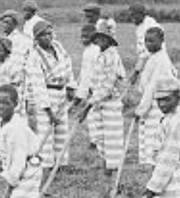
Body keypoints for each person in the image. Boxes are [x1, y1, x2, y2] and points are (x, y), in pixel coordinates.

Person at [77, 19, 127, 178]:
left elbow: (107, 85)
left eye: (103, 38)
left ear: (109, 40)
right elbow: (94, 78)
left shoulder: (111, 56)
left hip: (110, 101)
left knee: (112, 136)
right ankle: (106, 163)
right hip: (97, 101)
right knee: (99, 135)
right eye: (98, 38)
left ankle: (112, 170)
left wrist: (87, 106)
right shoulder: (99, 54)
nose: (100, 41)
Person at [25, 21, 75, 174]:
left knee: (62, 129)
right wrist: (49, 111)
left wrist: (71, 86)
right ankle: (45, 166)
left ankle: (61, 164)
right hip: (46, 95)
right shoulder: (34, 56)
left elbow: (68, 66)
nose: (47, 38)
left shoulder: (58, 48)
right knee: (45, 133)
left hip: (61, 93)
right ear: (37, 39)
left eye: (49, 34)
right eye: (43, 35)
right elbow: (38, 85)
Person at [132, 25, 178, 175]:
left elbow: (152, 87)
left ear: (161, 41)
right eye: (146, 41)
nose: (148, 44)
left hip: (158, 105)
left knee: (155, 141)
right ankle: (154, 174)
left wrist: (141, 109)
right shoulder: (154, 57)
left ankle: (157, 175)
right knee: (150, 139)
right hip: (152, 103)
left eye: (152, 41)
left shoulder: (161, 60)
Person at [72, 23, 103, 157]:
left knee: (96, 115)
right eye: (82, 37)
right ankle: (94, 140)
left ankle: (97, 141)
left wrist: (86, 91)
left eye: (86, 37)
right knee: (91, 116)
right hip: (88, 87)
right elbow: (84, 73)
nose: (83, 39)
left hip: (95, 87)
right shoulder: (87, 51)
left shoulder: (96, 51)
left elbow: (93, 72)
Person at [0, 36, 26, 125]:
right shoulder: (3, 66)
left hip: (8, 108)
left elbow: (4, 91)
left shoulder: (8, 67)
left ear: (7, 51)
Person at [128, 2, 163, 86]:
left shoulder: (150, 26)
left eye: (134, 15)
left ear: (141, 14)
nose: (132, 18)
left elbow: (146, 53)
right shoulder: (140, 27)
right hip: (149, 62)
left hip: (155, 61)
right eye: (130, 16)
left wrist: (136, 72)